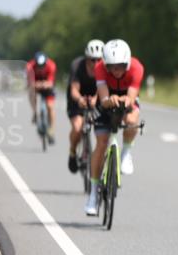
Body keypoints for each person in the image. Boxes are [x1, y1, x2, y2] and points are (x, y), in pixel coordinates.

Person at [84, 39, 144, 216]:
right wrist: (108, 101)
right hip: (107, 100)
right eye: (112, 67)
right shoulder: (100, 68)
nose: (116, 71)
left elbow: (132, 96)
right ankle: (93, 193)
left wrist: (127, 101)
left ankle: (126, 153)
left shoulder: (137, 68)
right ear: (106, 64)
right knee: (101, 143)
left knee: (132, 119)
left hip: (127, 98)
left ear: (127, 63)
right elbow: (102, 96)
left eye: (120, 66)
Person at [66, 40, 105, 173]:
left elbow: (104, 87)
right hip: (77, 98)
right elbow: (74, 90)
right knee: (77, 127)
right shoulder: (78, 66)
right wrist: (79, 99)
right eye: (92, 60)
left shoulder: (106, 67)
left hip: (97, 96)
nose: (95, 63)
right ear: (86, 58)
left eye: (99, 60)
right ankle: (72, 152)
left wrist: (96, 98)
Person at [26, 51, 57, 144]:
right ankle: (35, 112)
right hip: (35, 84)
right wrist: (34, 85)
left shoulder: (51, 65)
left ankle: (51, 130)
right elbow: (30, 82)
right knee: (31, 93)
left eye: (42, 66)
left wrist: (45, 84)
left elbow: (51, 82)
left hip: (47, 86)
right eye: (39, 66)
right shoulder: (30, 66)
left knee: (50, 107)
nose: (40, 68)